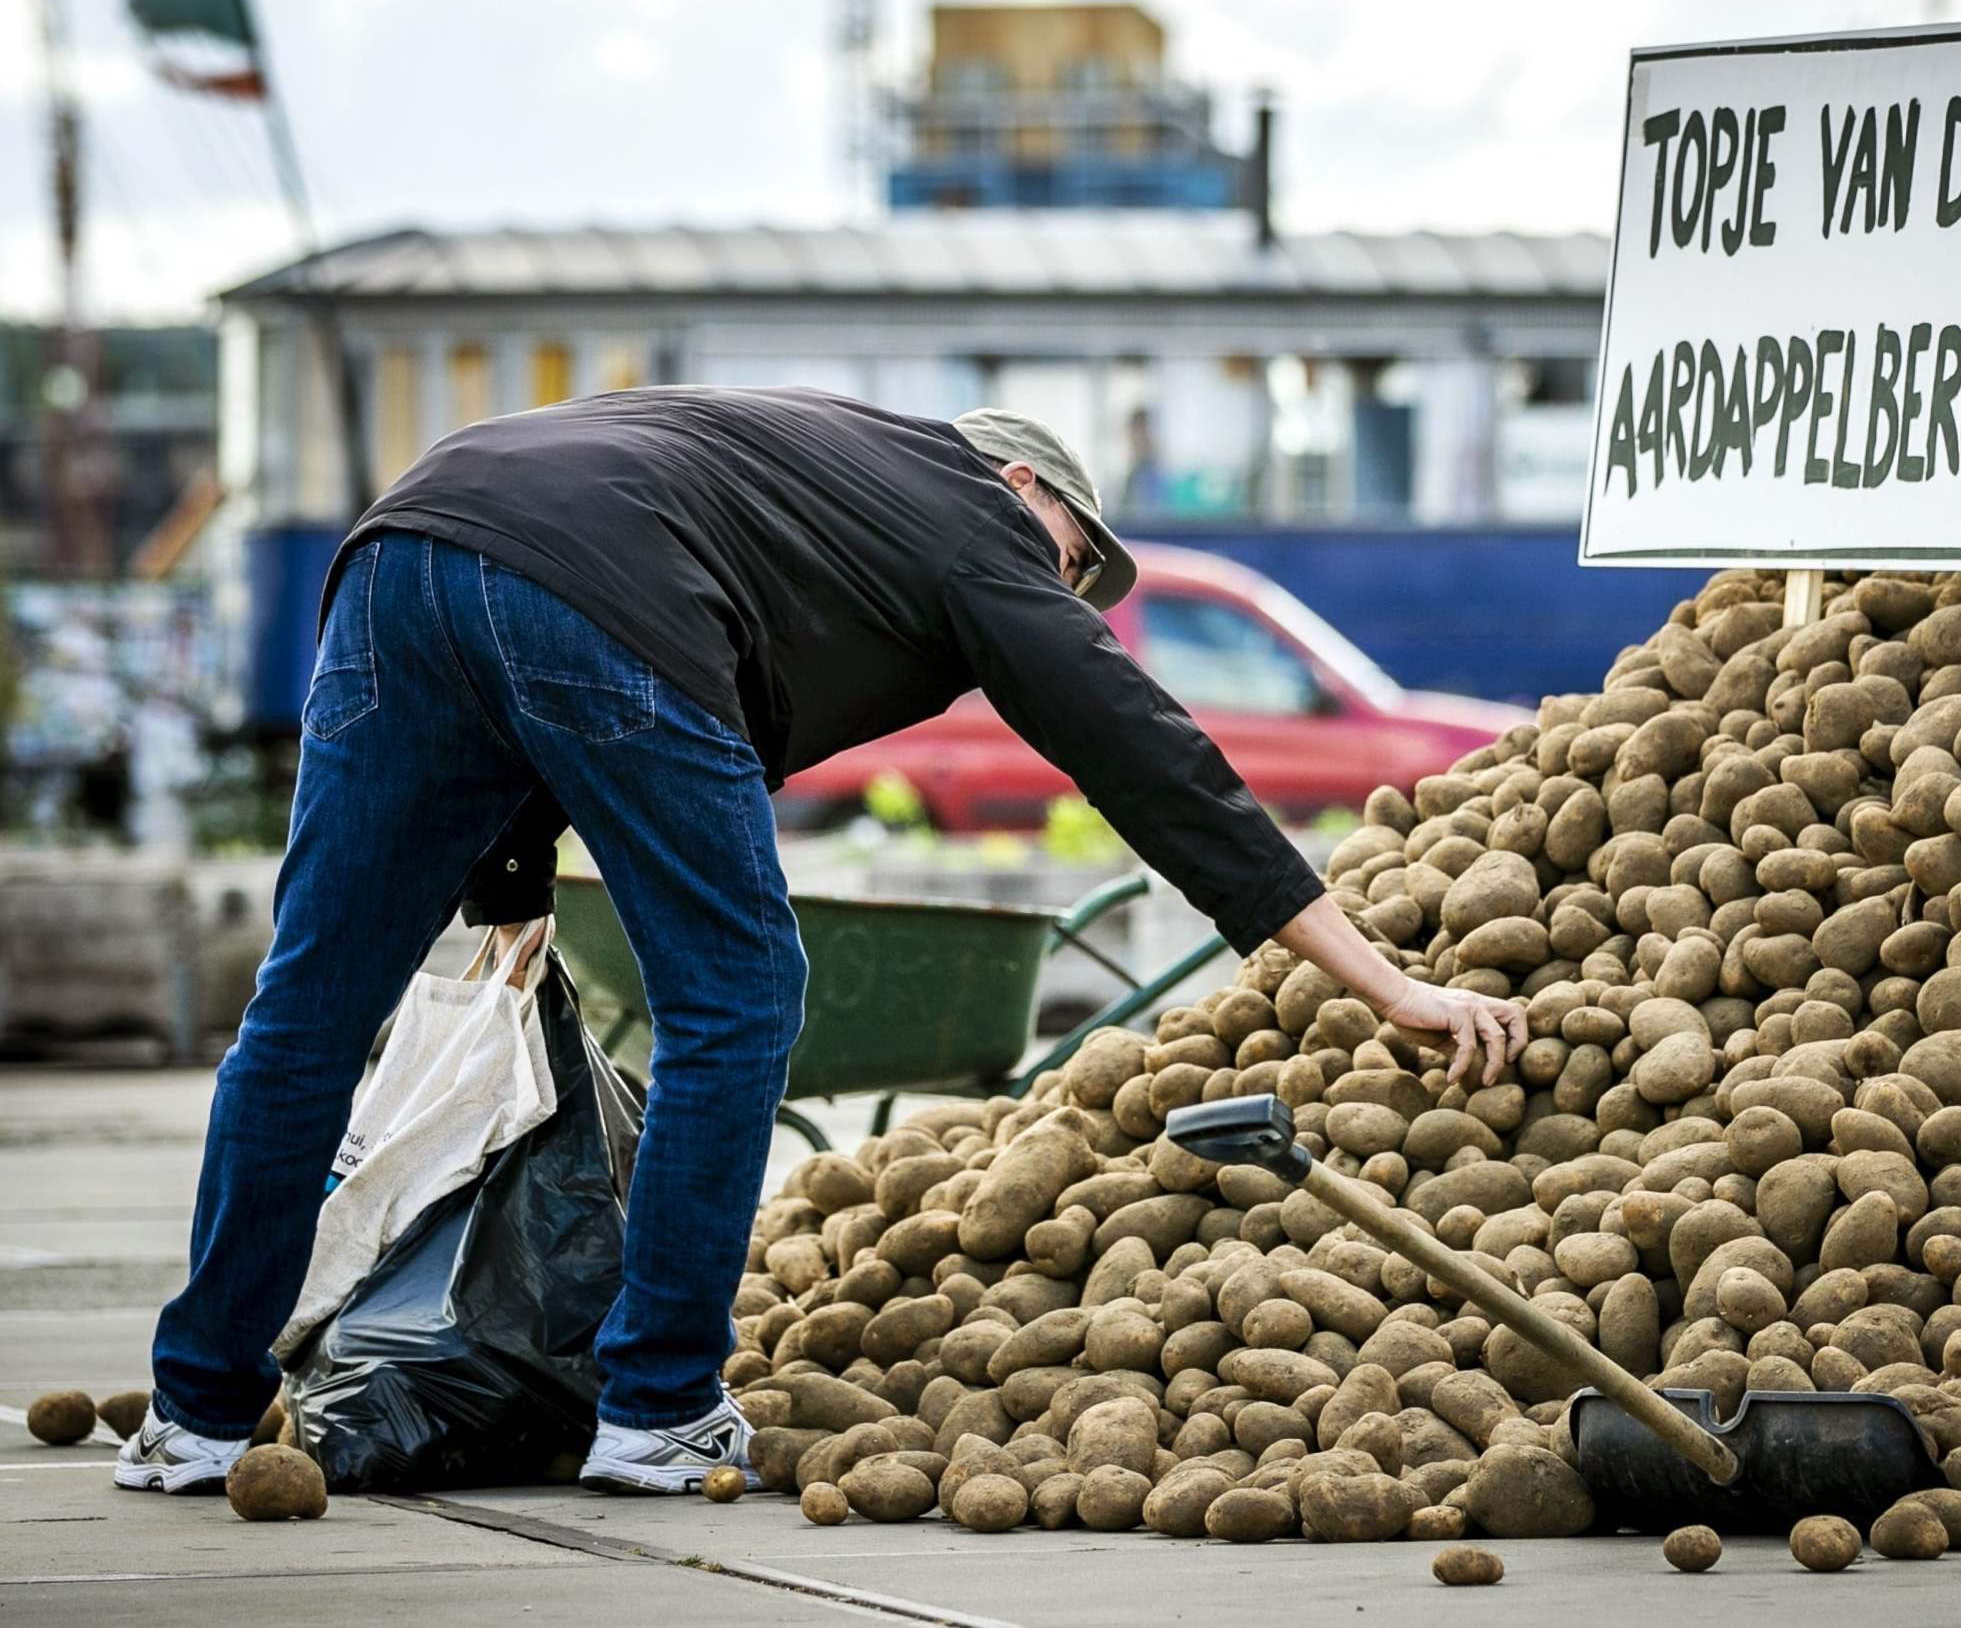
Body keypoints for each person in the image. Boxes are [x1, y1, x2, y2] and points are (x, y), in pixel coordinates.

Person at [118, 387, 1526, 1498]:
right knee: (738, 991)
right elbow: (1150, 755)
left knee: (305, 1014)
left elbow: (519, 615)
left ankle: (194, 1408)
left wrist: (506, 879)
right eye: (1076, 566)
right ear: (1027, 486)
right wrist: (1376, 975)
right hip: (580, 585)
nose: (1070, 597)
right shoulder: (971, 505)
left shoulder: (818, 469)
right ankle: (659, 1406)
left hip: (401, 551)